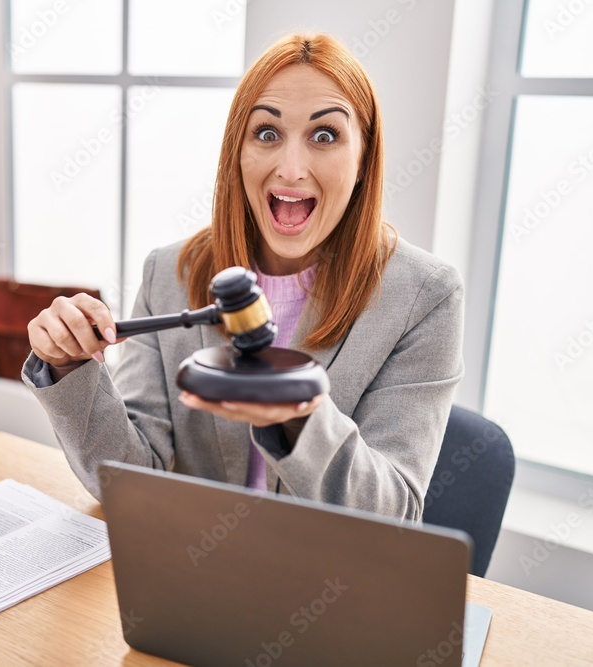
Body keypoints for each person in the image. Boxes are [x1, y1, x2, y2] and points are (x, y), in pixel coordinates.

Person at [23, 33, 463, 521]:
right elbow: (129, 479)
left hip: (328, 578)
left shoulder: (425, 296)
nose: (291, 169)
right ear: (238, 151)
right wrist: (69, 368)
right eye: (268, 133)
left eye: (325, 136)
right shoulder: (169, 273)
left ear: (363, 161)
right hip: (193, 564)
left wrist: (299, 415)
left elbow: (393, 515)